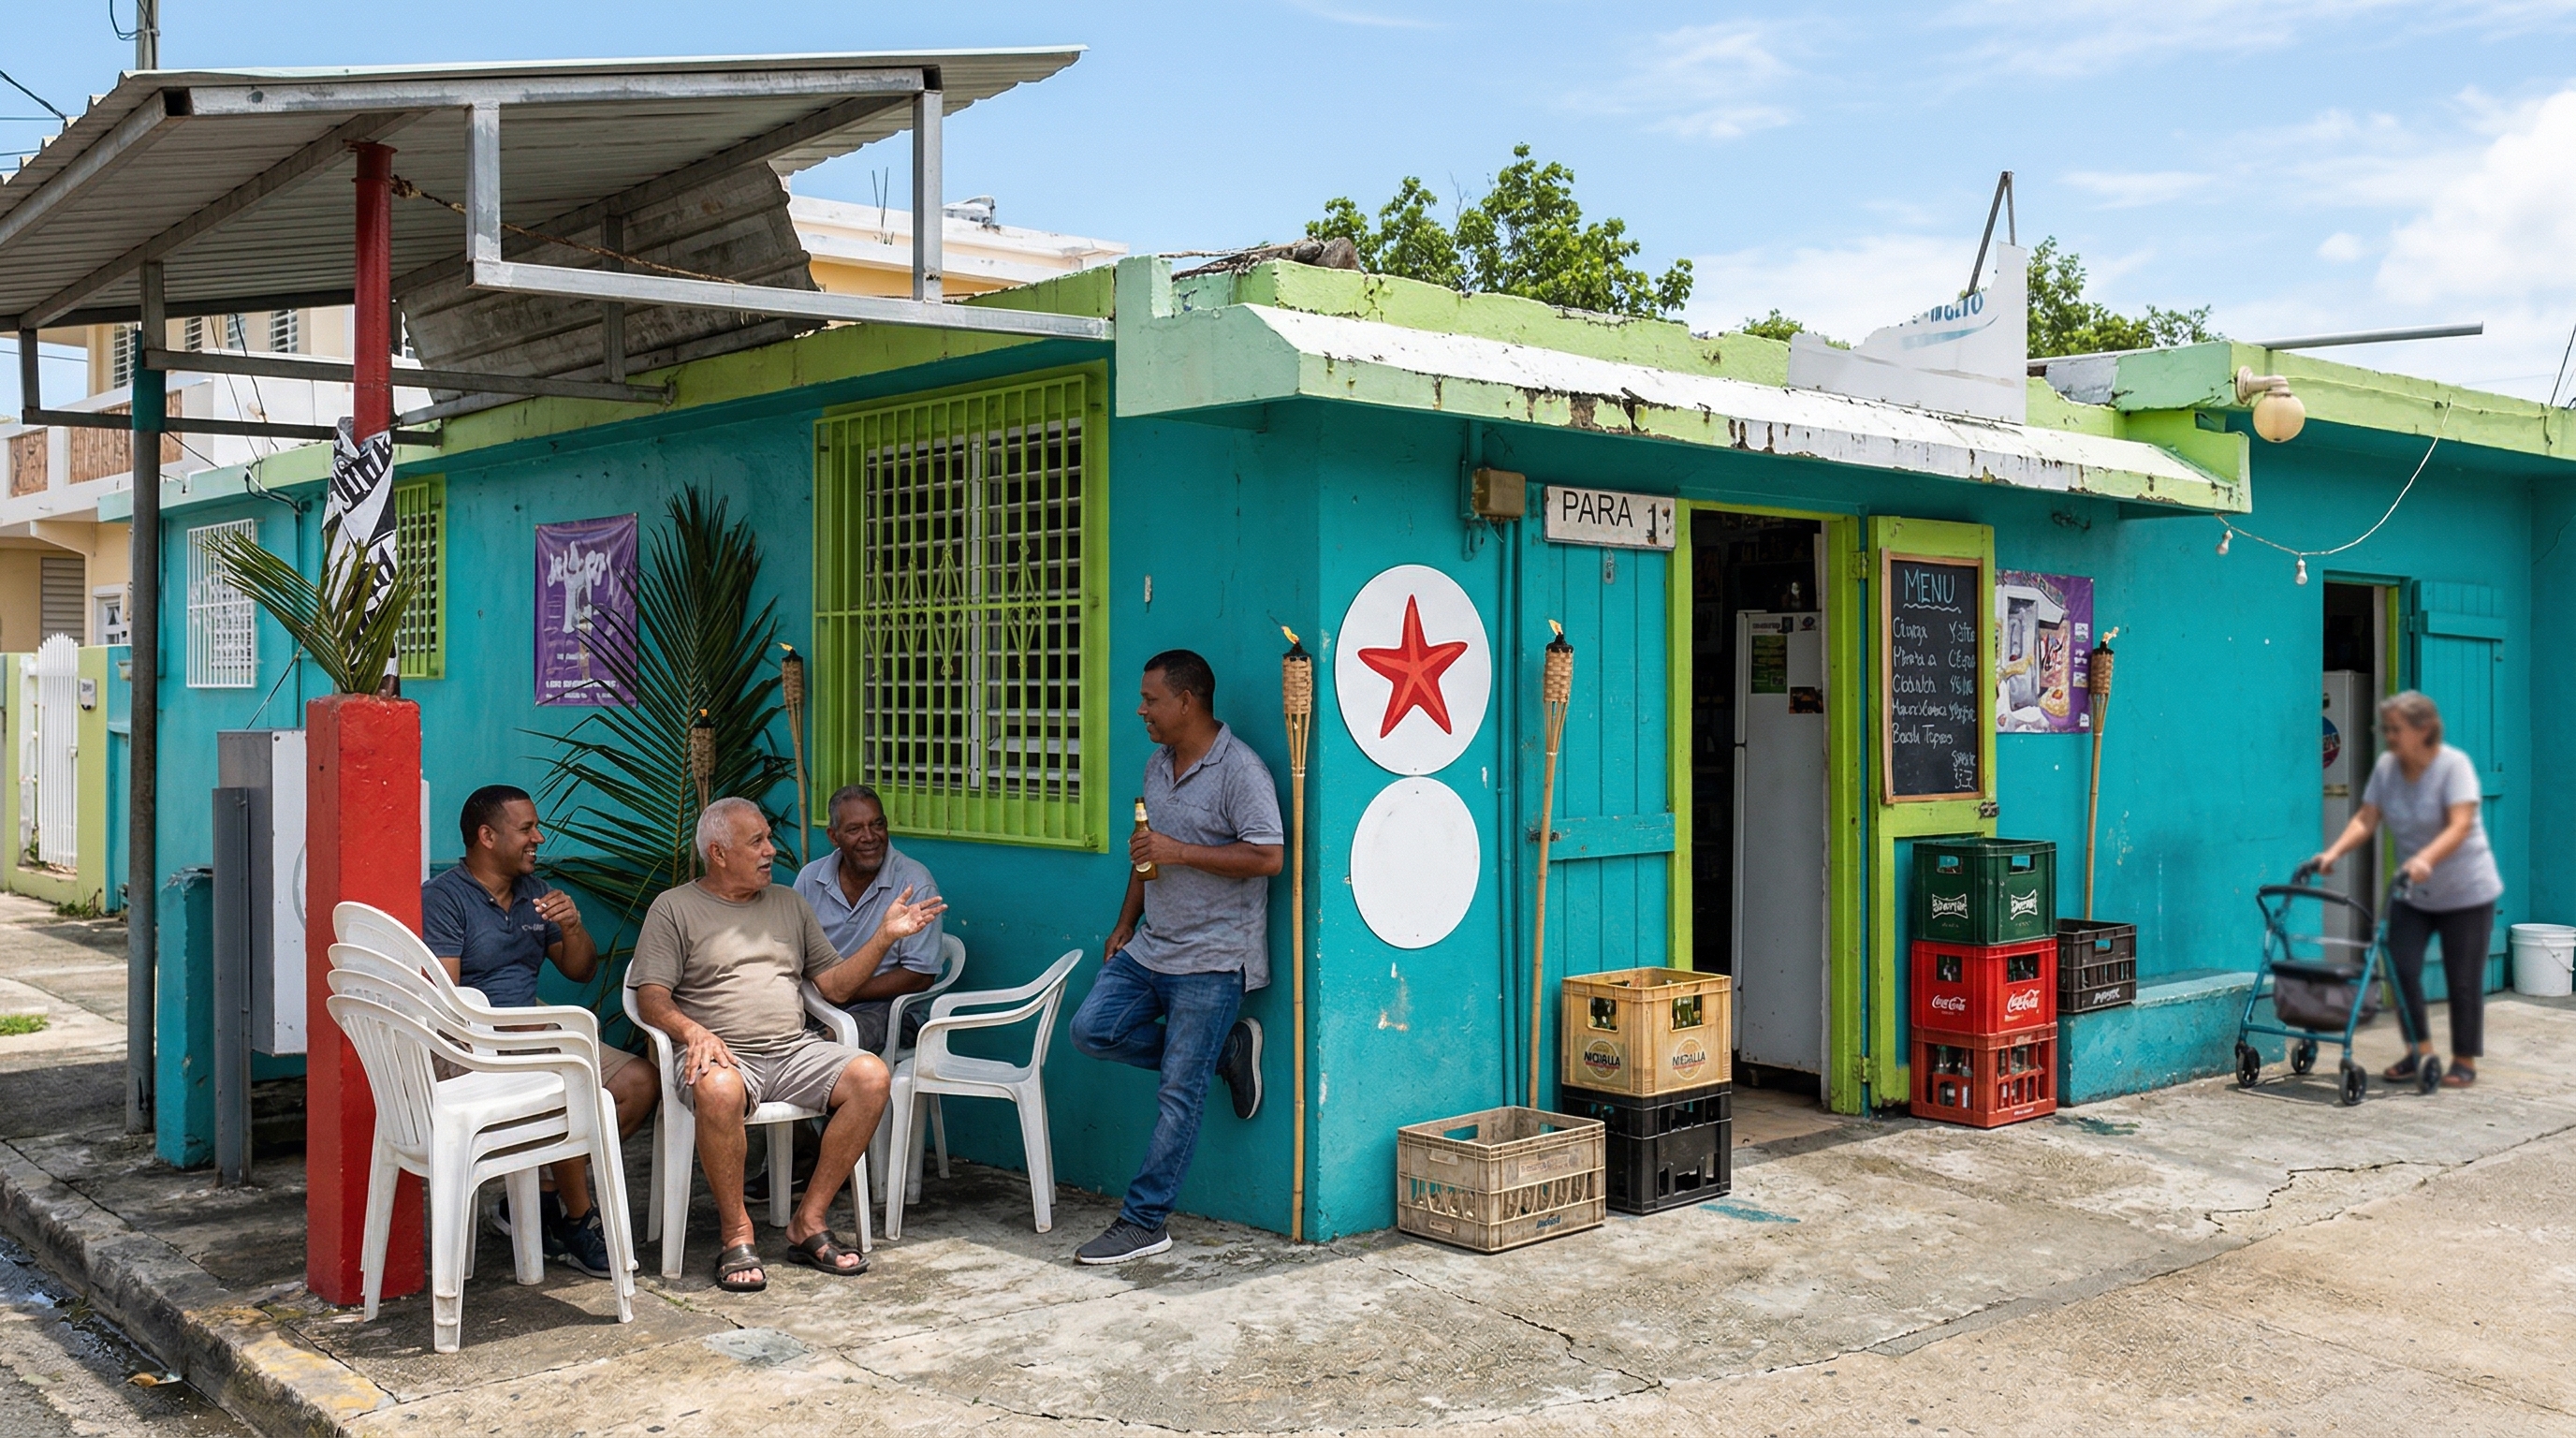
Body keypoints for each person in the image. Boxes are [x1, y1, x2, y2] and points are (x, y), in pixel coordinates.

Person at [627, 798, 944, 1292]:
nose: (770, 850)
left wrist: (884, 937)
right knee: (719, 1091)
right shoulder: (674, 908)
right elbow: (650, 998)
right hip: (724, 1055)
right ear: (718, 852)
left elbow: (834, 988)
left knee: (870, 1076)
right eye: (756, 842)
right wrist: (693, 1031)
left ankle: (808, 1222)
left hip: (795, 1050)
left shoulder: (788, 904)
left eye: (768, 839)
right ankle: (736, 1234)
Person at [1069, 650, 1281, 1265]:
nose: (1141, 709)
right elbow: (1147, 850)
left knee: (1177, 1093)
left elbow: (1269, 857)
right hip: (1153, 945)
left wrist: (1182, 851)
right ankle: (1227, 1052)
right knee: (1093, 1032)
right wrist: (1124, 922)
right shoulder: (1157, 765)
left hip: (1216, 956)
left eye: (1151, 699)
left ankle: (1144, 1221)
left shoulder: (1240, 771)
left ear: (1187, 701)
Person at [421, 785, 653, 1281]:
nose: (539, 837)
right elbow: (444, 998)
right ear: (486, 836)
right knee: (567, 1078)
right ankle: (577, 1218)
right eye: (526, 829)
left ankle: (542, 1194)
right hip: (468, 1041)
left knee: (637, 1084)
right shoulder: (443, 899)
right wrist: (510, 1028)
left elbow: (581, 970)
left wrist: (572, 926)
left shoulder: (536, 893)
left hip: (534, 1027)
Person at [2312, 690, 2503, 1089]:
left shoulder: (2454, 767)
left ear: (2424, 730)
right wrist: (2334, 853)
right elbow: (2367, 818)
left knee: (2463, 978)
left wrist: (2426, 859)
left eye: (2396, 729)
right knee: (2401, 967)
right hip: (2412, 893)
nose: (2389, 736)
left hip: (2466, 890)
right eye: (2386, 729)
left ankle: (2464, 1060)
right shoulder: (2386, 769)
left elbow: (2460, 824)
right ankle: (2420, 1050)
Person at [792, 785, 944, 1052]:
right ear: (833, 836)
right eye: (854, 829)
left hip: (889, 1009)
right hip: (817, 1000)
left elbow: (920, 976)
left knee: (821, 1045)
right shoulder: (810, 878)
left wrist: (843, 990)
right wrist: (824, 994)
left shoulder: (914, 883)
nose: (870, 836)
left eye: (877, 825)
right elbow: (792, 951)